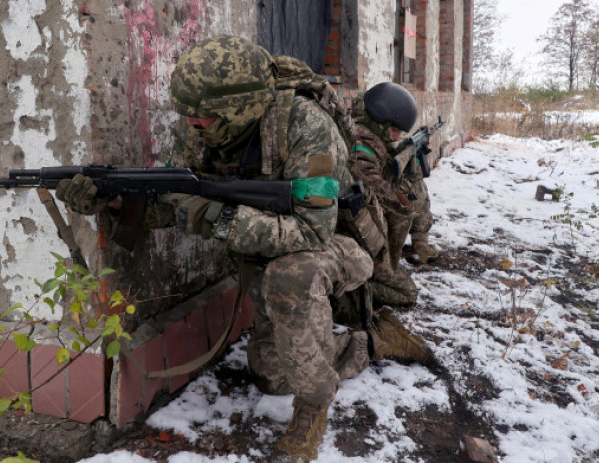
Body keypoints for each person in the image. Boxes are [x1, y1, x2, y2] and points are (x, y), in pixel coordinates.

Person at [56, 36, 430, 462]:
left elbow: (313, 232)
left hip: (338, 245)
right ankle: (375, 342)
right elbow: (182, 201)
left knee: (292, 275)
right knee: (271, 375)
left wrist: (216, 217)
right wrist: (115, 200)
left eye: (204, 116)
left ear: (240, 108)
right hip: (268, 258)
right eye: (189, 113)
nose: (192, 123)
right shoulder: (205, 130)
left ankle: (312, 408)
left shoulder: (307, 127)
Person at [348, 82, 437, 308]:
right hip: (360, 235)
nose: (397, 135)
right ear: (380, 119)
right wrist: (402, 199)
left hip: (370, 232)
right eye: (394, 129)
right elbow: (377, 188)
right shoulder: (361, 146)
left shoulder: (371, 137)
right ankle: (352, 289)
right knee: (407, 293)